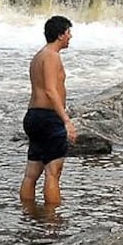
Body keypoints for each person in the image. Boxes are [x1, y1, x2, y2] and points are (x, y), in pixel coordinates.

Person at [20, 15, 76, 206]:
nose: (71, 37)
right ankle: (52, 222)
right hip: (49, 117)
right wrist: (66, 120)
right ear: (60, 35)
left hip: (33, 115)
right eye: (68, 33)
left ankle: (28, 214)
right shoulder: (52, 56)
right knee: (53, 173)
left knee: (31, 174)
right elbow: (51, 91)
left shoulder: (39, 56)